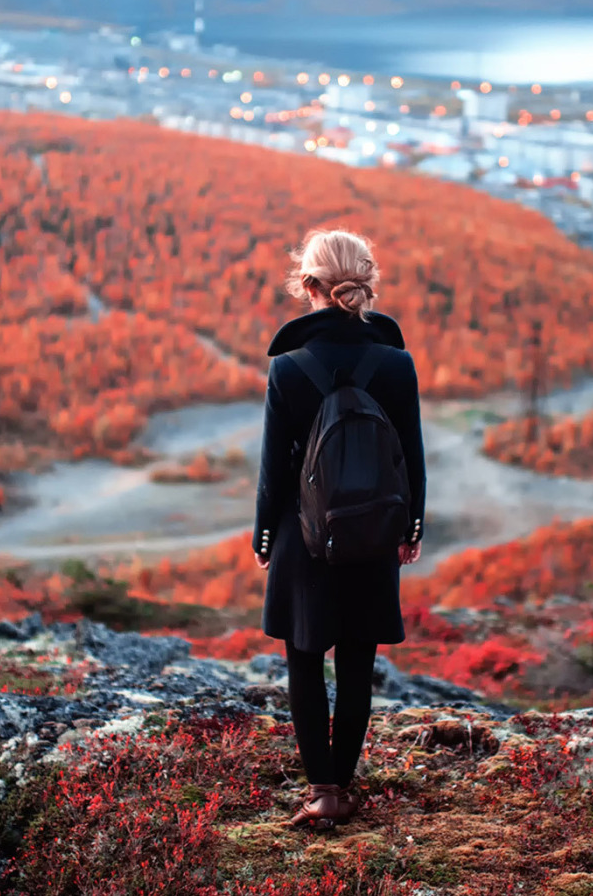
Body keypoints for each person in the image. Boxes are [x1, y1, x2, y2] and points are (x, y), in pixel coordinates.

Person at [252, 228, 426, 828]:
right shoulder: (397, 362)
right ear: (367, 281)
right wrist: (413, 529)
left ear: (308, 285)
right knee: (357, 661)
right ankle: (345, 789)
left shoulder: (289, 367)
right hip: (376, 533)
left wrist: (264, 537)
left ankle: (322, 791)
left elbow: (274, 468)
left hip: (303, 536)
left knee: (304, 659)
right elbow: (412, 455)